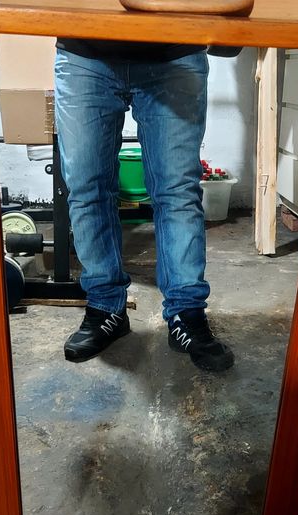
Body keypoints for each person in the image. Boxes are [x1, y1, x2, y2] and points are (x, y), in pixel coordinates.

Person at [54, 39, 234, 372]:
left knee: (178, 192)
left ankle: (186, 313)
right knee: (87, 188)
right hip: (85, 52)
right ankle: (105, 307)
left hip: (175, 51)